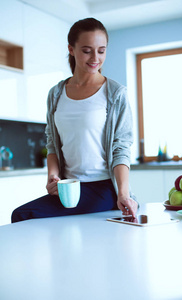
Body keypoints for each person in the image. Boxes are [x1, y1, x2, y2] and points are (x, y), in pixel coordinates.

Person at [11, 17, 138, 223]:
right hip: (68, 188)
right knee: (24, 215)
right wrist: (52, 177)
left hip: (102, 187)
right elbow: (52, 142)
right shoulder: (56, 94)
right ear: (71, 49)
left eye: (101, 50)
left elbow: (121, 147)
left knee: (24, 215)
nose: (95, 57)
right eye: (87, 50)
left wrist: (123, 194)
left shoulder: (115, 93)